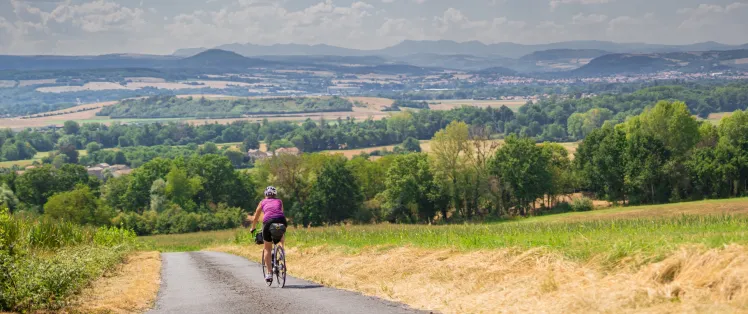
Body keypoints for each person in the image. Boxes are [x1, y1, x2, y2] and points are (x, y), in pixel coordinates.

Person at [248, 186, 287, 282]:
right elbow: (280, 212)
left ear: (266, 195)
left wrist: (253, 228)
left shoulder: (262, 202)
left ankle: (269, 273)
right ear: (275, 194)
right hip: (281, 220)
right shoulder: (279, 201)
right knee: (281, 233)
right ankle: (282, 250)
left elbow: (256, 217)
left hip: (268, 222)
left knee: (267, 248)